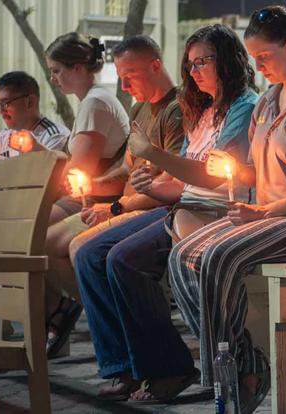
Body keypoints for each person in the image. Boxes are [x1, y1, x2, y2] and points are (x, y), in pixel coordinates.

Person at [167, 5, 286, 413]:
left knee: (218, 255)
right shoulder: (268, 102)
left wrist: (267, 213)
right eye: (254, 57)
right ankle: (243, 361)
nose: (259, 65)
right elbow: (259, 172)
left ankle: (225, 380)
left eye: (265, 56)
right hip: (271, 218)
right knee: (182, 255)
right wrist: (234, 170)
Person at [73, 24, 258, 402]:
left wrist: (154, 157)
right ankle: (123, 365)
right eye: (190, 64)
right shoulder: (203, 112)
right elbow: (181, 182)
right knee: (91, 253)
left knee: (124, 259)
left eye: (202, 61)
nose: (194, 71)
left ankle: (170, 368)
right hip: (184, 204)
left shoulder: (245, 107)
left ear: (227, 59)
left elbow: (211, 177)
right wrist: (150, 185)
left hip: (216, 212)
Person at [42, 35, 185, 358]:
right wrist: (91, 186)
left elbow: (172, 182)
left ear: (156, 65)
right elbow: (125, 169)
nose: (124, 83)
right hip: (121, 204)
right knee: (46, 242)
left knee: (83, 249)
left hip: (149, 209)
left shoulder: (176, 111)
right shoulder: (139, 109)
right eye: (120, 76)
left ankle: (118, 334)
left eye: (130, 74)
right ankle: (101, 319)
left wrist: (115, 206)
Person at [40, 32, 130, 357]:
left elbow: (81, 171)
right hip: (87, 195)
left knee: (35, 239)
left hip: (98, 199)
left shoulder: (95, 102)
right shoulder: (91, 102)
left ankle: (81, 306)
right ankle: (59, 310)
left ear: (78, 67)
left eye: (57, 70)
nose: (53, 78)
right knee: (28, 235)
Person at [0, 71, 69, 160]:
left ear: (30, 102)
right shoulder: (3, 138)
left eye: (5, 103)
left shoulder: (55, 136)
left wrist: (35, 148)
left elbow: (49, 170)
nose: (1, 111)